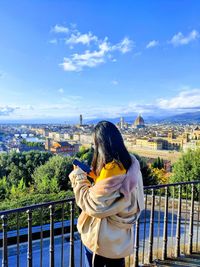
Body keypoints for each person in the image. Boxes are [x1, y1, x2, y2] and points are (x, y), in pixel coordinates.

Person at [69, 121, 145, 267]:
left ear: (101, 145)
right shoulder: (130, 165)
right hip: (120, 241)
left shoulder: (110, 169)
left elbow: (91, 203)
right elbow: (112, 190)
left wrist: (78, 176)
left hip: (101, 241)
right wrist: (97, 178)